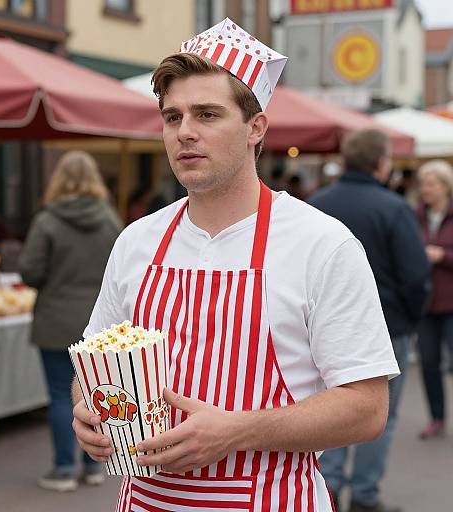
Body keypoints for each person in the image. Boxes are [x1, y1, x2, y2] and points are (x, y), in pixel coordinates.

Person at [71, 19, 399, 511]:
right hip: (145, 501)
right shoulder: (137, 241)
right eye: (172, 116)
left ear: (255, 127)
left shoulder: (322, 244)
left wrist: (238, 431)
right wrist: (87, 411)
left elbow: (366, 408)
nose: (185, 132)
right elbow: (92, 367)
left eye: (207, 114)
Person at [309, 130, 430, 512]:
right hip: (386, 325)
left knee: (325, 411)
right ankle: (363, 494)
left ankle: (326, 488)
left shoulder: (314, 204)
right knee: (380, 416)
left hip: (319, 326)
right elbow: (415, 275)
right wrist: (411, 319)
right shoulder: (393, 207)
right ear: (381, 163)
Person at [19, 151, 123, 492]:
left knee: (60, 396)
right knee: (95, 394)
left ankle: (64, 468)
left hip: (54, 318)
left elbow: (31, 271)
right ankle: (94, 466)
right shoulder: (109, 219)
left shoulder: (47, 221)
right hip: (98, 320)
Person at [415, 159, 453, 439]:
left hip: (452, 304)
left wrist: (443, 256)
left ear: (445, 186)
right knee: (428, 364)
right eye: (422, 184)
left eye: (430, 184)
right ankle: (437, 418)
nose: (424, 189)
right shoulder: (415, 216)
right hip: (426, 305)